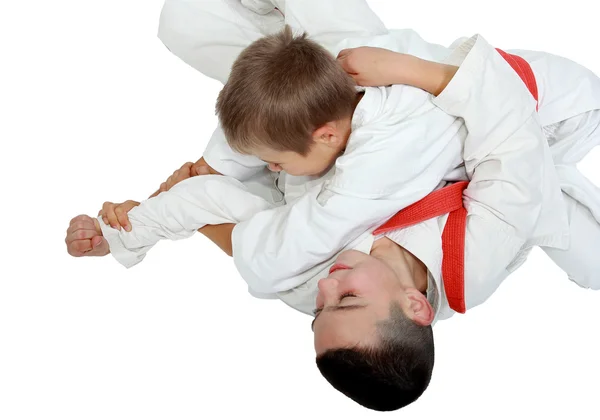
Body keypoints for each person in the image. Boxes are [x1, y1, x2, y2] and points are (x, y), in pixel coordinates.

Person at [66, 30, 600, 410]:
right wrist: (406, 69)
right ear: (416, 305)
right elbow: (510, 131)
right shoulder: (478, 256)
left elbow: (245, 230)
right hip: (544, 115)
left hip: (367, 139)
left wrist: (129, 228)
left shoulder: (319, 288)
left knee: (204, 44)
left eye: (317, 312)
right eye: (345, 299)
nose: (325, 287)